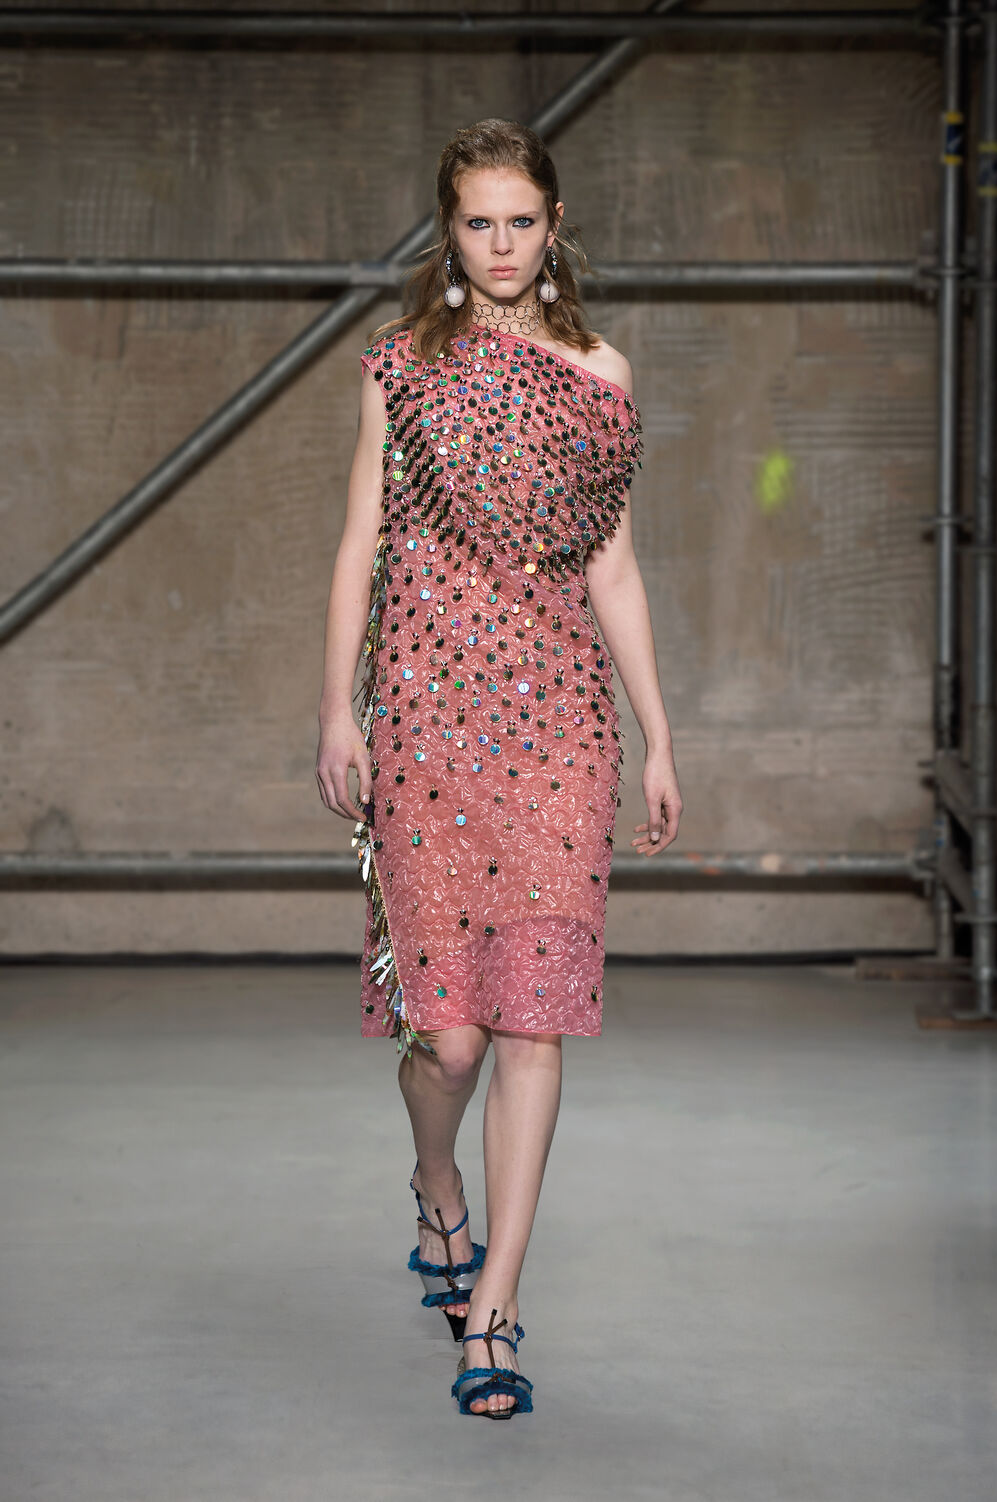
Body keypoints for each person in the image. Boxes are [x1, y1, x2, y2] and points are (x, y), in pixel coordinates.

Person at [315, 118, 682, 1418]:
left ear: (554, 223)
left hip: (562, 731)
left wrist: (657, 732)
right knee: (453, 1042)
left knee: (534, 1022)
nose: (503, 244)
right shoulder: (401, 367)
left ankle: (497, 1309)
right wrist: (338, 713)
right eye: (480, 222)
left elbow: (613, 565)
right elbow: (360, 544)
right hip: (424, 724)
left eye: (523, 221)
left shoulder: (598, 372)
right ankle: (437, 1181)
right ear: (449, 229)